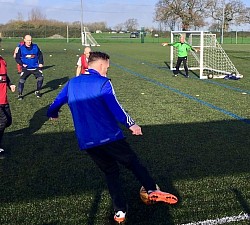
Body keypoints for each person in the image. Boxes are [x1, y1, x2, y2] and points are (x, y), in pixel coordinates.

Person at [47, 51, 178, 224]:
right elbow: (116, 108)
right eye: (107, 68)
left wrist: (52, 113)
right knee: (133, 163)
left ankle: (120, 212)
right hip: (109, 136)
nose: (107, 71)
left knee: (110, 173)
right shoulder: (103, 83)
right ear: (101, 65)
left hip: (87, 141)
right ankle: (152, 189)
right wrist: (132, 124)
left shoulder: (72, 83)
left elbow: (56, 102)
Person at [15, 34, 44, 100]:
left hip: (35, 67)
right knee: (21, 80)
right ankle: (20, 94)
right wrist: (22, 64)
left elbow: (40, 55)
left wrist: (41, 63)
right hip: (26, 68)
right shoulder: (21, 48)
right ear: (24, 40)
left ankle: (37, 91)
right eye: (28, 40)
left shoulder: (35, 47)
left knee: (41, 78)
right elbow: (17, 58)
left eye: (30, 40)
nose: (29, 42)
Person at [0, 56, 16, 159]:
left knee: (8, 121)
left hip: (3, 99)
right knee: (2, 121)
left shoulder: (2, 60)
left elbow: (4, 76)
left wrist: (10, 84)